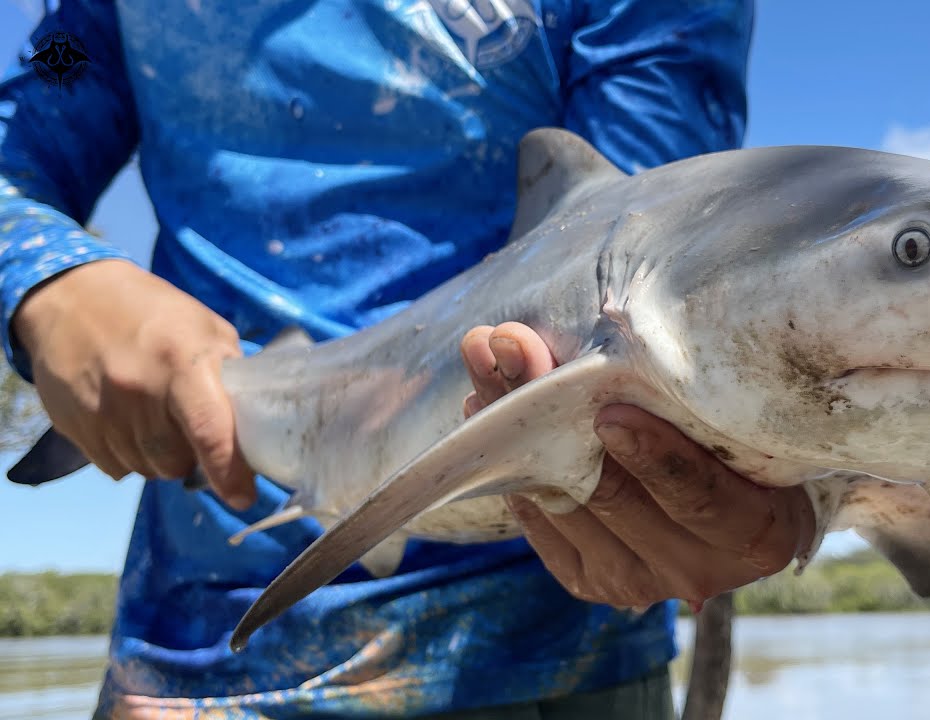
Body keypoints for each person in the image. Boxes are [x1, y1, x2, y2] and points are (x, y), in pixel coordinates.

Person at [0, 1, 819, 717]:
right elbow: (24, 138)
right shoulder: (93, 20)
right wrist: (50, 282)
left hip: (556, 653)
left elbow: (660, 239)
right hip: (200, 653)